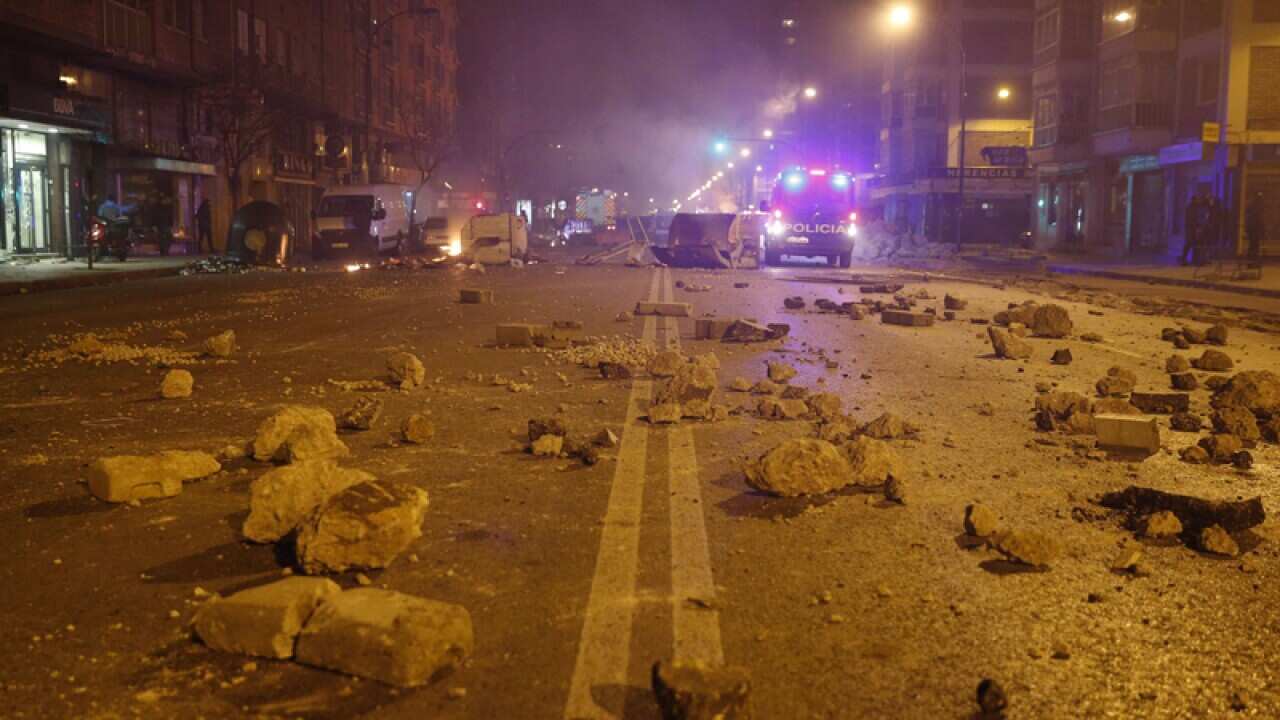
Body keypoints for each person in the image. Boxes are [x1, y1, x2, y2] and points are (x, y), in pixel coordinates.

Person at [1246, 192, 1266, 262]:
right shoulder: (1257, 206)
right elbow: (1259, 218)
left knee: (1252, 245)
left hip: (1252, 228)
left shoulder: (1251, 205)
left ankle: (1251, 261)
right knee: (1254, 245)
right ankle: (1253, 261)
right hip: (1255, 229)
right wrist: (1262, 229)